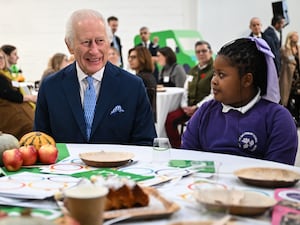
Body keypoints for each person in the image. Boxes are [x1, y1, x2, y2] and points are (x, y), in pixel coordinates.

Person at [34, 9, 157, 145]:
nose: (94, 50)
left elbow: (146, 143)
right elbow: (41, 144)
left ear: (109, 42)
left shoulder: (133, 86)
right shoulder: (50, 87)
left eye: (100, 41)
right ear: (69, 45)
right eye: (86, 42)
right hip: (66, 166)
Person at [182, 37, 298, 165]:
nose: (213, 81)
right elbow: (188, 158)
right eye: (214, 74)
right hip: (204, 184)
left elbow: (278, 173)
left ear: (247, 80)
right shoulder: (205, 111)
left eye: (221, 75)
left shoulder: (277, 118)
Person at [165, 41, 214, 148]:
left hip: (205, 108)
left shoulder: (215, 70)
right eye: (198, 52)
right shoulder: (193, 70)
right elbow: (185, 90)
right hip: (188, 108)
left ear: (211, 52)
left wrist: (196, 107)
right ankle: (177, 148)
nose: (201, 54)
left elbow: (213, 94)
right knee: (169, 119)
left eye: (204, 51)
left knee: (196, 126)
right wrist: (184, 106)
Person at [0, 50, 36, 139]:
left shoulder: (5, 74)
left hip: (23, 125)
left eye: (1, 58)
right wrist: (30, 98)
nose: (0, 61)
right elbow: (9, 94)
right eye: (14, 54)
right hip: (14, 127)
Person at [128, 46, 157, 121]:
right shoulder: (149, 76)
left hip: (139, 120)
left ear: (143, 58)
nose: (130, 60)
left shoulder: (140, 79)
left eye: (134, 57)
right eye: (129, 57)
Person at [279, 31, 300, 125]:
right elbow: (289, 59)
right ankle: (288, 120)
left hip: (298, 79)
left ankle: (298, 118)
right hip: (289, 79)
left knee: (298, 100)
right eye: (295, 36)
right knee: (286, 100)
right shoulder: (284, 49)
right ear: (290, 37)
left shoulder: (299, 48)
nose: (297, 37)